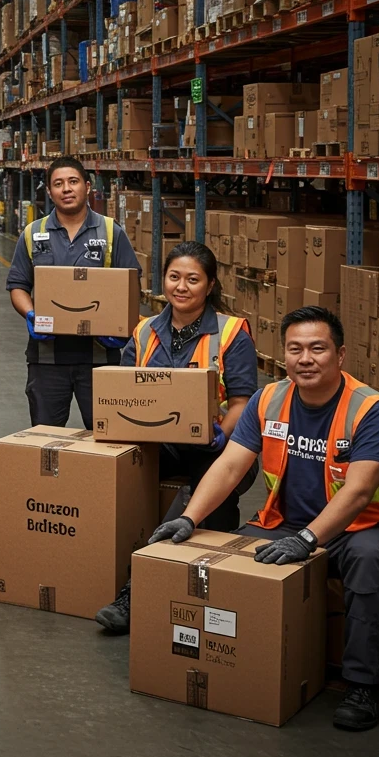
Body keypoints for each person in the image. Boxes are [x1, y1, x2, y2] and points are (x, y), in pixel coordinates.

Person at [142, 306, 379, 731]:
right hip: (284, 522)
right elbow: (231, 465)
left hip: (368, 528)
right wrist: (191, 518)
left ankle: (364, 685)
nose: (305, 358)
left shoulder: (371, 411)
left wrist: (308, 539)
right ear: (283, 355)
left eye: (317, 348)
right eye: (295, 349)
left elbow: (360, 492)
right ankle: (245, 661)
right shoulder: (269, 399)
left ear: (340, 355)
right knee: (225, 560)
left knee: (368, 562)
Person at [95, 241, 258, 633]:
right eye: (174, 277)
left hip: (216, 449)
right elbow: (125, 390)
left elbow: (242, 401)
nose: (181, 287)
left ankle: (135, 592)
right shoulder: (145, 330)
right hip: (160, 445)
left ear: (209, 284)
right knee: (114, 479)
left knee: (203, 497)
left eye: (192, 279)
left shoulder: (231, 332)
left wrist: (220, 434)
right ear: (163, 280)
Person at [5, 156, 142, 429]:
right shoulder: (34, 233)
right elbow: (18, 285)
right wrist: (30, 313)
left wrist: (119, 326)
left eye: (73, 182)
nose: (66, 189)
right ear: (49, 191)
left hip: (101, 358)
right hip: (47, 358)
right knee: (45, 438)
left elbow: (131, 285)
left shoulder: (111, 232)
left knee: (109, 436)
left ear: (87, 187)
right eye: (58, 184)